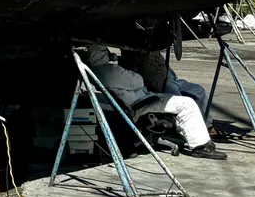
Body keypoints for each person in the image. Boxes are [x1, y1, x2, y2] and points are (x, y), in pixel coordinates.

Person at [83, 44, 224, 160]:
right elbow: (138, 81)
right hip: (142, 104)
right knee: (187, 104)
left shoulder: (99, 70)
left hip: (140, 100)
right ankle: (200, 146)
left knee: (180, 94)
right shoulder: (108, 71)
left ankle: (191, 134)